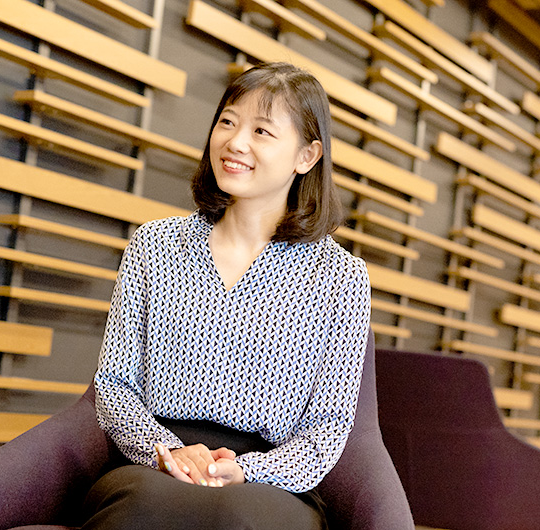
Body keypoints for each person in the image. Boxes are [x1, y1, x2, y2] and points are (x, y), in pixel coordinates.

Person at [81, 62, 371, 529]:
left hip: (270, 481)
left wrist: (247, 470)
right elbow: (114, 385)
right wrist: (166, 450)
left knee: (240, 519)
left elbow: (327, 429)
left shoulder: (341, 277)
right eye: (228, 122)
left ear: (307, 156)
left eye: (261, 131)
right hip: (154, 462)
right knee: (141, 508)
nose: (235, 142)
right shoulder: (154, 244)